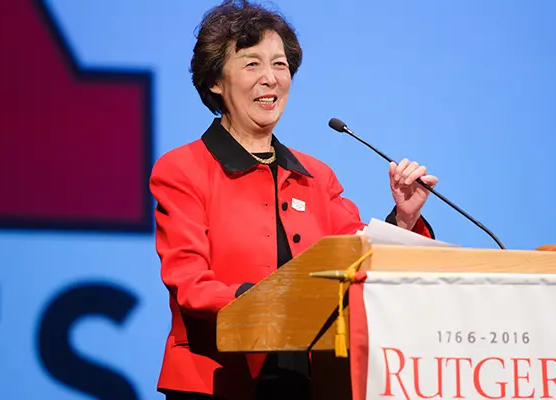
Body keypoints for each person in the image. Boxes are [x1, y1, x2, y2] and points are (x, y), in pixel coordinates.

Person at [148, 1, 439, 399]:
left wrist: (403, 219)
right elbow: (190, 284)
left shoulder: (316, 176)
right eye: (251, 64)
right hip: (217, 381)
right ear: (216, 81)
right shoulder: (183, 169)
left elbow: (354, 258)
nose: (270, 78)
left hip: (312, 382)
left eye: (280, 65)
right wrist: (267, 303)